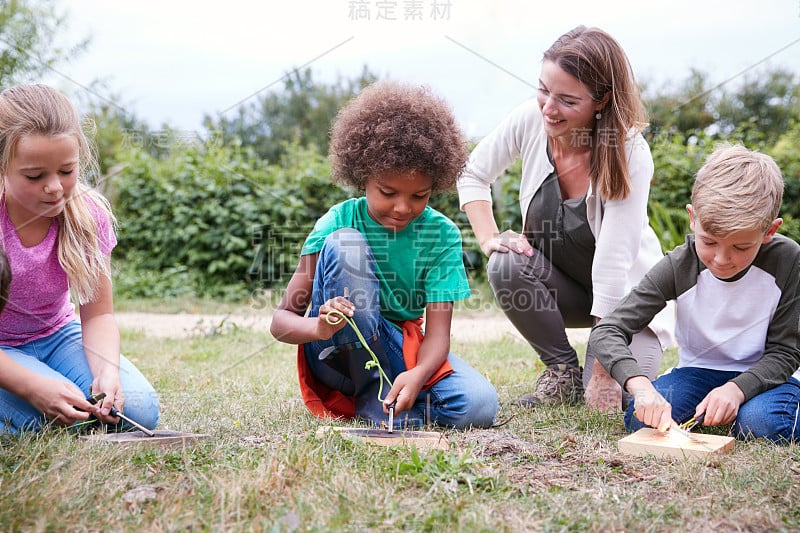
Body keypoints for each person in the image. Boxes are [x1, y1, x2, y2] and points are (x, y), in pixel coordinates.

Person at [456, 25, 674, 411]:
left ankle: (599, 366)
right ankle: (562, 371)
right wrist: (489, 237)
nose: (548, 108)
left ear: (602, 100)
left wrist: (606, 371)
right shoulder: (529, 119)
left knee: (621, 398)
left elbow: (614, 261)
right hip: (567, 286)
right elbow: (472, 173)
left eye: (567, 100)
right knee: (505, 264)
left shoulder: (629, 152)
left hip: (627, 301)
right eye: (543, 89)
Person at [270, 80, 498, 429]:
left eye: (419, 196)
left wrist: (420, 373)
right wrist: (318, 327)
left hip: (395, 351)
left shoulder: (442, 235)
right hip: (334, 354)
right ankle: (373, 395)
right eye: (387, 192)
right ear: (362, 175)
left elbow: (438, 334)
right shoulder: (338, 220)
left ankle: (386, 401)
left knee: (478, 406)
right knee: (346, 243)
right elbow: (281, 321)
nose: (403, 208)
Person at [590, 144, 800, 442]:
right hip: (699, 370)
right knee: (643, 421)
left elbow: (786, 351)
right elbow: (608, 330)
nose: (721, 259)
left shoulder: (789, 260)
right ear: (693, 217)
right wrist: (640, 386)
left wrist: (736, 390)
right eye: (709, 242)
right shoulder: (680, 264)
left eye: (741, 247)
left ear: (769, 231)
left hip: (770, 378)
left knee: (761, 423)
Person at [0, 84, 159, 434]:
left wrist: (107, 370)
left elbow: (99, 314)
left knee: (139, 410)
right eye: (35, 176)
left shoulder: (87, 216)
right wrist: (30, 386)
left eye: (66, 171)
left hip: (56, 335)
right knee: (62, 419)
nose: (55, 187)